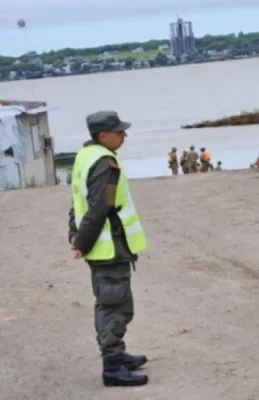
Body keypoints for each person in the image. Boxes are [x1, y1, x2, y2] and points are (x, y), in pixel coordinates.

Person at [67, 111, 149, 387]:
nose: (124, 135)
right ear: (103, 135)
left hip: (105, 246)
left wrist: (76, 235)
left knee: (120, 304)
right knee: (114, 307)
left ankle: (119, 354)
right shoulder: (104, 163)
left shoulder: (85, 155)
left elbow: (77, 199)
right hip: (108, 247)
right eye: (119, 132)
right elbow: (99, 207)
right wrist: (82, 242)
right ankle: (113, 366)